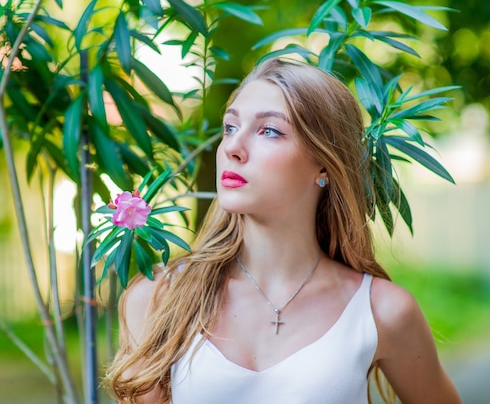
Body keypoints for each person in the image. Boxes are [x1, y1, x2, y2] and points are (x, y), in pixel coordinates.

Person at [105, 58, 462, 404]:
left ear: (323, 164)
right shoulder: (160, 298)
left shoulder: (382, 311)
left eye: (269, 131)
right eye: (230, 127)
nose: (232, 147)